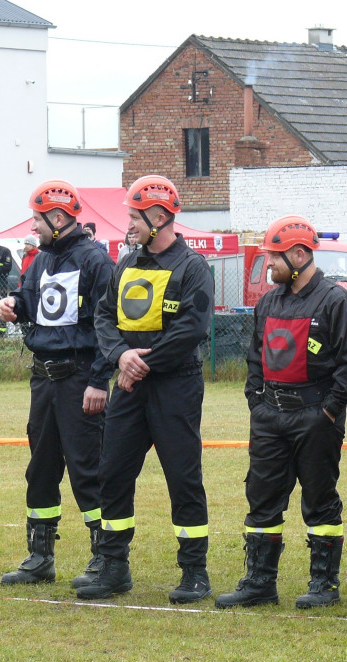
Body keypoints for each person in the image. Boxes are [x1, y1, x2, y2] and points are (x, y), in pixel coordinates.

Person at [216, 216, 347, 609]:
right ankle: (259, 582)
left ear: (300, 255)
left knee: (320, 500)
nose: (269, 265)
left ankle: (324, 585)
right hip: (270, 416)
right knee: (261, 498)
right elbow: (255, 356)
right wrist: (257, 402)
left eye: (275, 257)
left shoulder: (338, 302)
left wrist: (329, 413)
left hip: (316, 418)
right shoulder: (268, 302)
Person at [80, 174, 215, 604]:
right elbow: (105, 315)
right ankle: (114, 567)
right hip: (129, 384)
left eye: (135, 217)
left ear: (160, 217)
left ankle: (195, 572)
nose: (129, 225)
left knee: (183, 476)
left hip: (175, 386)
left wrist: (141, 364)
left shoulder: (192, 268)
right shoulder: (127, 263)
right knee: (113, 472)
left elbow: (190, 330)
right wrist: (121, 357)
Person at [0, 180, 114, 587]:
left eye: (37, 220)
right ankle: (39, 557)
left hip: (80, 378)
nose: (33, 227)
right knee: (41, 469)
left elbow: (109, 327)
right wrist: (11, 304)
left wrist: (99, 381)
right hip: (43, 380)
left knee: (88, 470)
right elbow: (30, 303)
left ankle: (106, 558)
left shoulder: (96, 262)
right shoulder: (40, 262)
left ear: (59, 218)